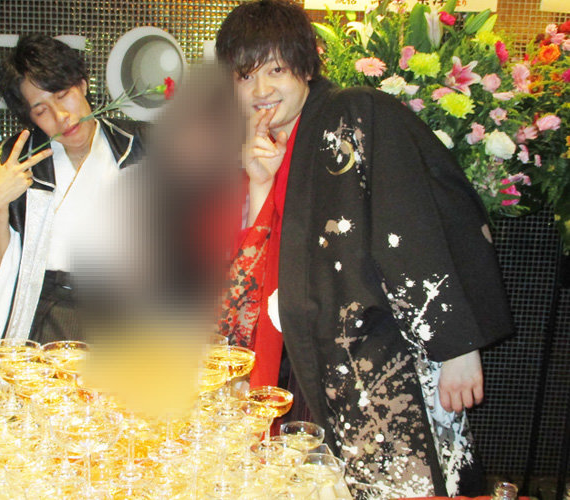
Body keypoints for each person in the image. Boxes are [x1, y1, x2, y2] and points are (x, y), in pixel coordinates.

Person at [215, 0, 514, 496]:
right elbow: (253, 273)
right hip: (310, 362)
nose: (261, 90)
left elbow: (420, 223)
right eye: (247, 76)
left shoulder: (355, 112)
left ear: (306, 66)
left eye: (276, 70)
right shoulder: (272, 145)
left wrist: (458, 346)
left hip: (386, 357)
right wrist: (260, 182)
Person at [0, 34, 146, 378]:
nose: (61, 116)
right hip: (52, 320)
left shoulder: (140, 148)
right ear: (30, 118)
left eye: (63, 94)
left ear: (82, 84)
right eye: (41, 110)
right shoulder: (8, 167)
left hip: (131, 319)